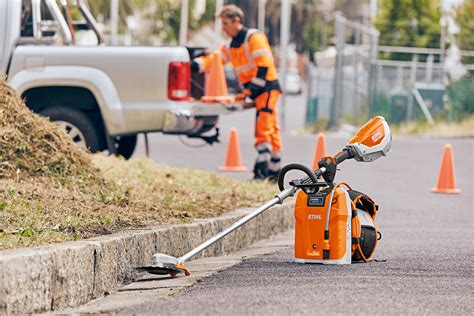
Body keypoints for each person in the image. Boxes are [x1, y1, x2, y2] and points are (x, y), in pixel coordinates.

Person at [191, 4, 282, 181]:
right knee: (271, 126)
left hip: (267, 87)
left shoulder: (254, 38)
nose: (223, 28)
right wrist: (197, 64)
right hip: (258, 89)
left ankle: (263, 166)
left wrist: (249, 90)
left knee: (264, 125)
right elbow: (216, 59)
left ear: (236, 21)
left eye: (226, 23)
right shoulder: (231, 45)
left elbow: (264, 66)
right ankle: (274, 168)